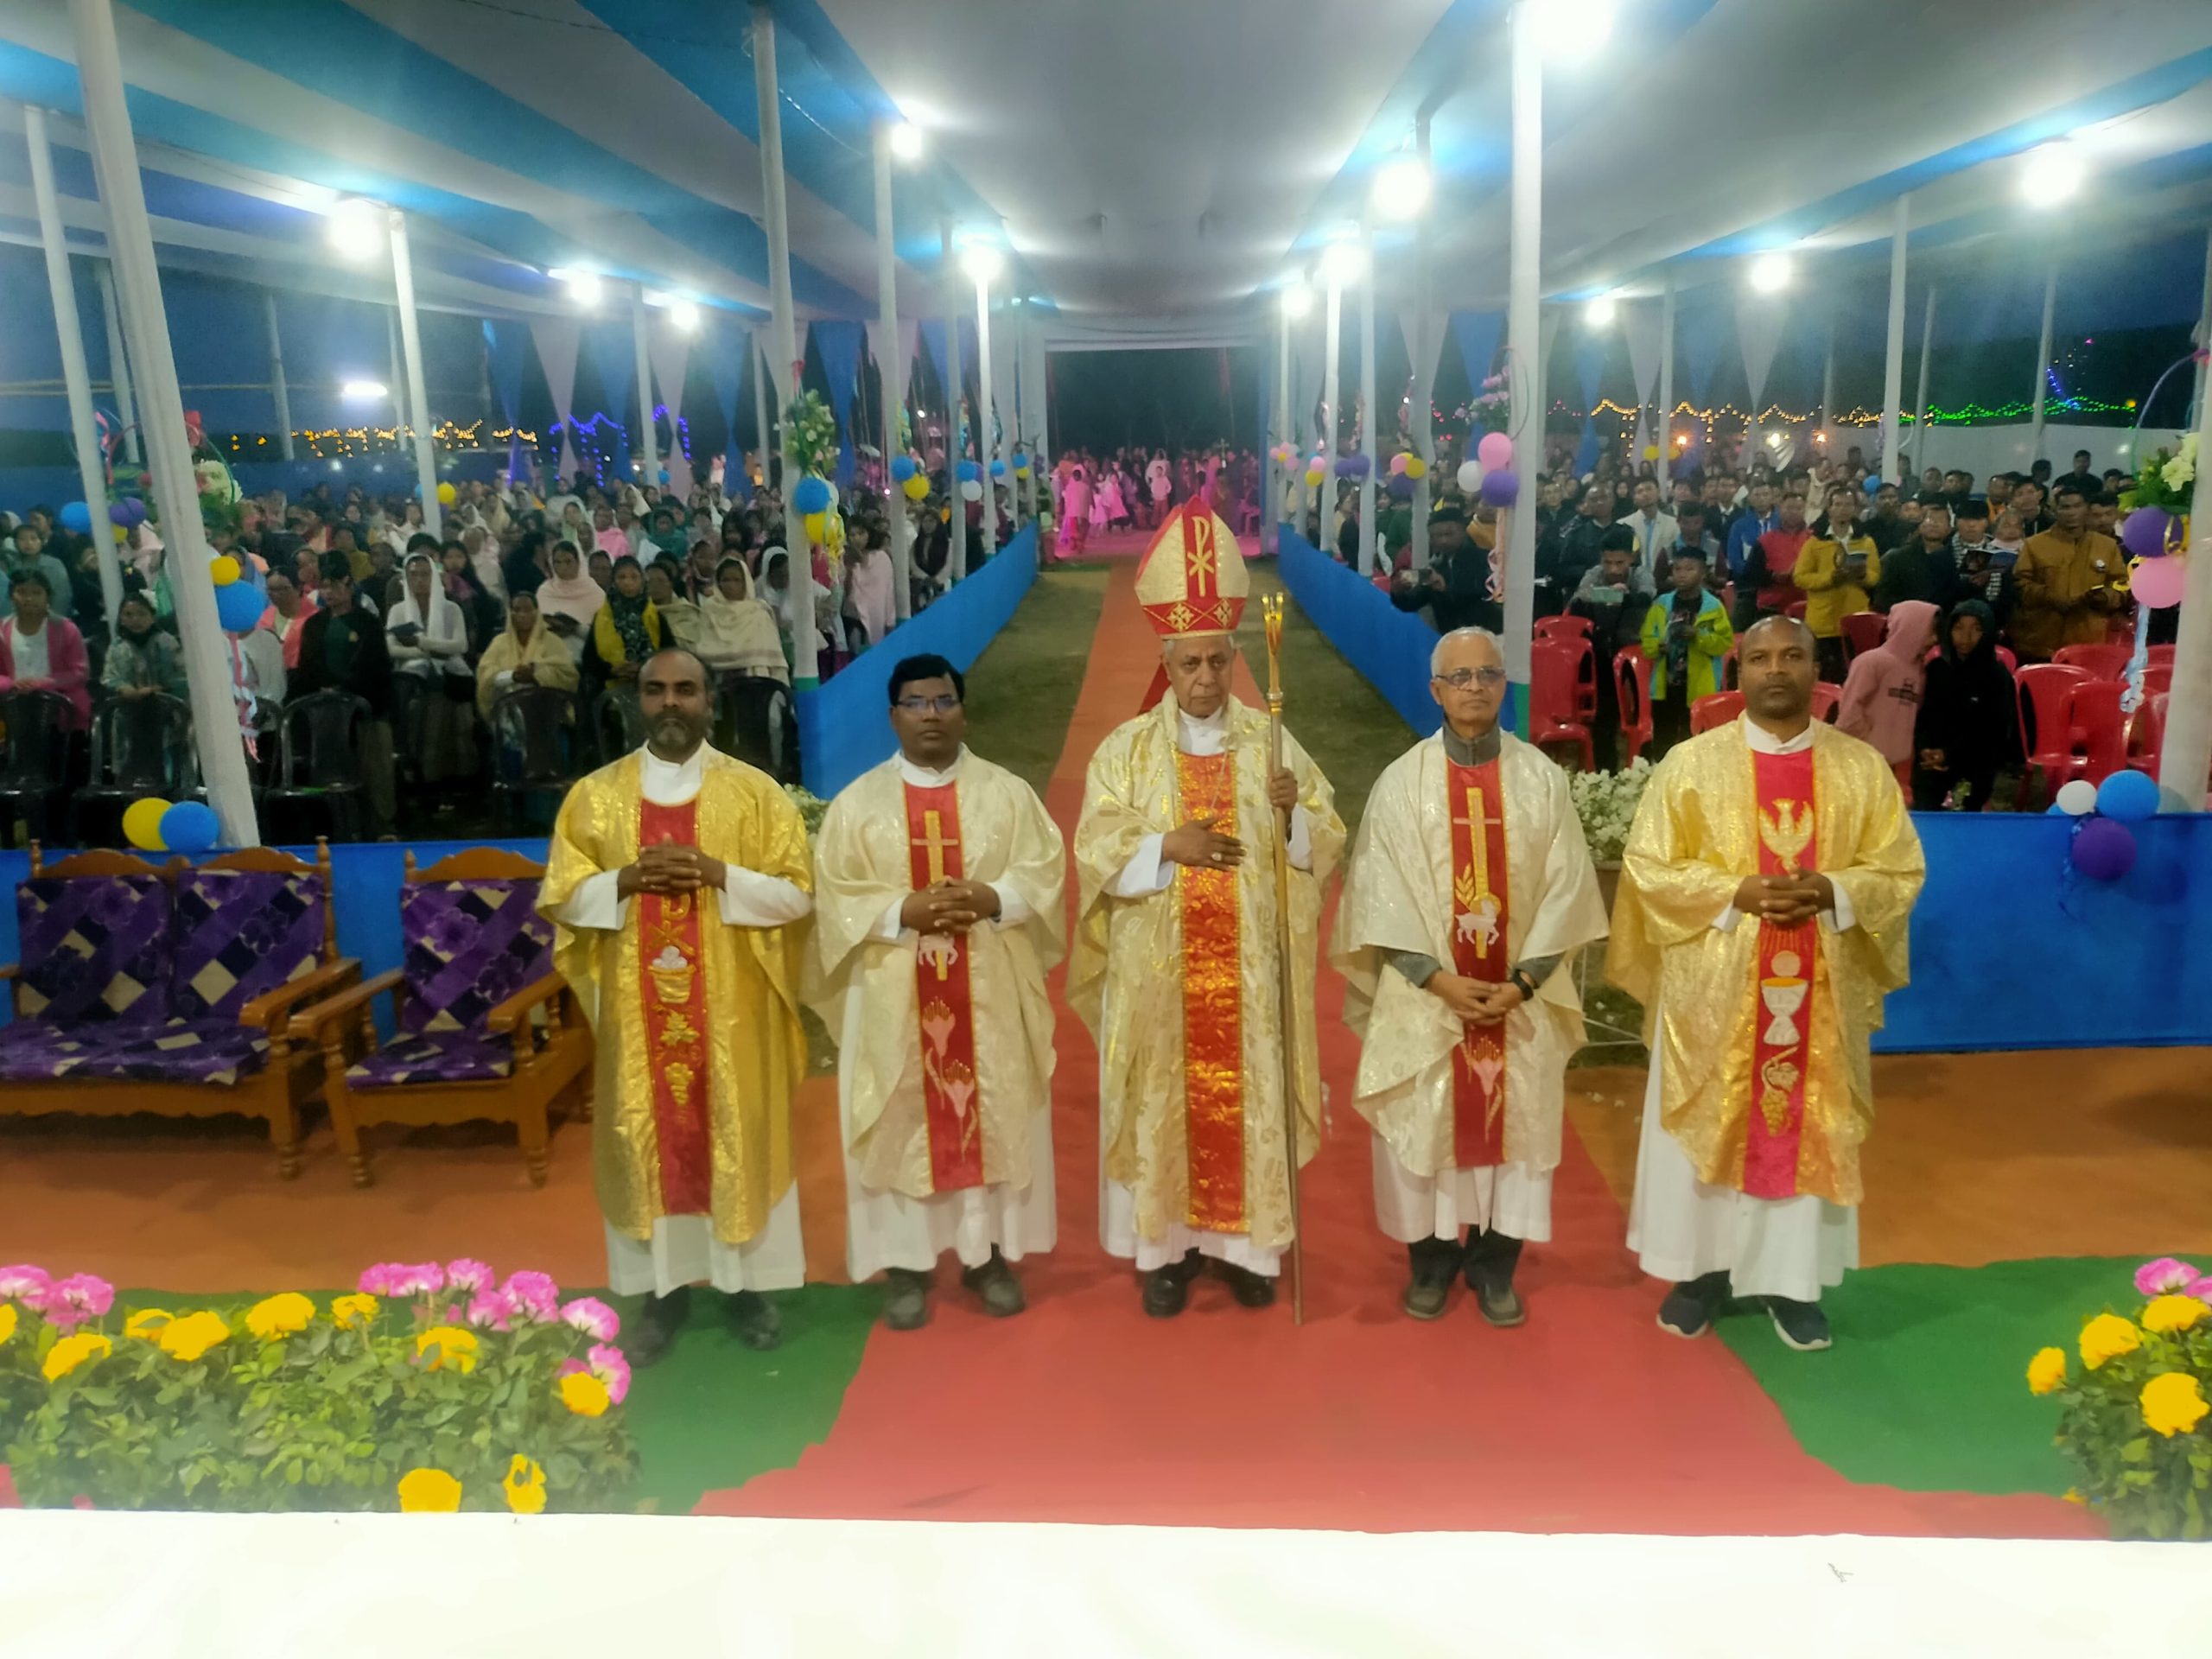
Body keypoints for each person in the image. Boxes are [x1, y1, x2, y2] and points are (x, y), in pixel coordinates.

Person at [1610, 615, 1924, 1351]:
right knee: (1709, 1122)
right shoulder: (1690, 764)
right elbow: (1649, 868)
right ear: (1739, 670)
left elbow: (1899, 869)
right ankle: (1700, 1272)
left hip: (1820, 992)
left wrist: (1832, 890)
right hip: (1714, 992)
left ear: (1817, 670)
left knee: (1803, 1122)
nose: (1775, 669)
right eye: (1759, 658)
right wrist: (1737, 892)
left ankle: (1790, 1281)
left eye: (1791, 656)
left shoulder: (1860, 769)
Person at [1071, 504, 1345, 1315]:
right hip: (1161, 983)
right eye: (1189, 663)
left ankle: (1247, 1252)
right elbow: (1096, 848)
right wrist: (1168, 846)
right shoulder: (1125, 752)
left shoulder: (1272, 743)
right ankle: (1167, 1253)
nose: (1205, 679)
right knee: (1165, 1106)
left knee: (1249, 1102)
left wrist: (1293, 816)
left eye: (1218, 662)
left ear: (1234, 660)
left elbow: (1323, 840)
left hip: (1249, 982)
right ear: (1167, 661)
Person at [540, 647, 813, 1363]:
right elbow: (562, 897)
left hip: (731, 1018)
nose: (670, 703)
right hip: (639, 1022)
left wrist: (719, 874)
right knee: (647, 1143)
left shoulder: (754, 794)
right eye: (656, 690)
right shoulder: (594, 798)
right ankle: (661, 1296)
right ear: (638, 701)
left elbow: (796, 895)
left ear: (709, 701)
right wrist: (625, 881)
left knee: (734, 1138)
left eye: (686, 690)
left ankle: (744, 1288)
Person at [1333, 626, 1607, 1325]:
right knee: (1422, 1127)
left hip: (1519, 999)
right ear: (1436, 691)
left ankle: (1494, 1264)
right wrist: (1437, 980)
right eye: (1460, 677)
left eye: (1487, 674)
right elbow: (1379, 895)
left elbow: (1568, 889)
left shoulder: (1541, 781)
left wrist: (1524, 982)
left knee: (1518, 1135)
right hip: (1429, 1001)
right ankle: (1429, 1261)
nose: (1475, 688)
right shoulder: (1402, 785)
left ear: (1503, 684)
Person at [805, 654, 1066, 1330]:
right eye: (916, 704)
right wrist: (903, 912)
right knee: (902, 1116)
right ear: (893, 716)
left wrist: (991, 898)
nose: (931, 715)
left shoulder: (1008, 796)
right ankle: (907, 1263)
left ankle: (988, 1256)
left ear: (963, 711)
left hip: (988, 988)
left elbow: (1045, 874)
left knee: (993, 1110)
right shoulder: (858, 806)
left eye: (944, 701)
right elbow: (833, 897)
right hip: (894, 995)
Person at [292, 566, 397, 832]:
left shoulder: (368, 622)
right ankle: (336, 827)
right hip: (324, 712)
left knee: (374, 771)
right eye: (324, 587)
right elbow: (308, 665)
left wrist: (345, 688)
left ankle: (380, 827)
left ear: (349, 586)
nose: (329, 593)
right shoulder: (315, 624)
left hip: (366, 709)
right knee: (332, 774)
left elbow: (376, 666)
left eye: (335, 586)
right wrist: (324, 689)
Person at [1912, 599, 2018, 811]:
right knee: (1925, 804)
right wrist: (1925, 749)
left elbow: (1992, 733)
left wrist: (1949, 754)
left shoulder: (1996, 677)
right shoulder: (1936, 669)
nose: (1965, 637)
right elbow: (1923, 717)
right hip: (1932, 762)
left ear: (1988, 633)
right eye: (1959, 628)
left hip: (1973, 764)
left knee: (1965, 808)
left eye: (1976, 629)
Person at [387, 551, 475, 798]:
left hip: (451, 677)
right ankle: (423, 783)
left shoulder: (451, 608)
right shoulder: (398, 610)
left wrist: (421, 643)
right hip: (414, 679)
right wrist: (427, 651)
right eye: (413, 575)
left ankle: (455, 785)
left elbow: (460, 646)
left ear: (434, 577)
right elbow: (391, 648)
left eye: (425, 574)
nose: (419, 580)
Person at [2013, 483, 2125, 663]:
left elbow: (2121, 584)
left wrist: (2105, 597)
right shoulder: (2034, 545)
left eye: (2077, 506)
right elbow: (2019, 585)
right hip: (2041, 641)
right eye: (2065, 507)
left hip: (2089, 639)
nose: (2071, 512)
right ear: (2054, 510)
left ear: (2086, 509)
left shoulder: (2107, 546)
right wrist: (2050, 597)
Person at [1568, 526, 1651, 767]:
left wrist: (1614, 596)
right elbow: (1577, 602)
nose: (1613, 569)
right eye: (1608, 563)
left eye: (1619, 563)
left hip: (1635, 657)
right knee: (1604, 715)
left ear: (1631, 558)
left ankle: (1643, 768)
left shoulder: (1641, 575)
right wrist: (1613, 595)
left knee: (1642, 716)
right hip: (1601, 655)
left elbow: (1646, 597)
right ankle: (1606, 772)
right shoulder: (1594, 574)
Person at [1641, 550, 1733, 757]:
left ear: (1703, 573)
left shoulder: (1713, 607)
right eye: (1677, 569)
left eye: (1690, 569)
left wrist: (1698, 636)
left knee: (1695, 742)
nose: (1682, 575)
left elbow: (1723, 643)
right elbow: (1646, 640)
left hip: (1700, 685)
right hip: (1665, 686)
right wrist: (1657, 646)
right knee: (1663, 740)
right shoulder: (1661, 604)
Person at [1836, 599, 1938, 784]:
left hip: (1889, 765)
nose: (1934, 640)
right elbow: (1849, 714)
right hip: (1859, 759)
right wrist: (1869, 745)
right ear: (1910, 628)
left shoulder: (1918, 671)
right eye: (1929, 631)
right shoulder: (1871, 662)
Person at [1793, 486, 1878, 684]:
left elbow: (1875, 576)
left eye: (1848, 505)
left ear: (1855, 509)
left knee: (1855, 677)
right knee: (1825, 677)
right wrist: (1831, 578)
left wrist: (1862, 575)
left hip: (1855, 619)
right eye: (1838, 504)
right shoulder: (1815, 542)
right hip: (1823, 622)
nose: (1843, 509)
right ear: (1829, 508)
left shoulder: (1866, 541)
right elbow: (1800, 577)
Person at [0, 571, 91, 728]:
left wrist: (41, 684)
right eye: (21, 592)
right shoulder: (2, 631)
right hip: (11, 703)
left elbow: (79, 673)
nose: (29, 598)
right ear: (11, 596)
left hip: (58, 702)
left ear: (48, 596)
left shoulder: (66, 629)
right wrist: (13, 685)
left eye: (36, 593)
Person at [476, 590, 580, 718]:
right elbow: (485, 674)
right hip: (508, 712)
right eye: (517, 610)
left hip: (548, 709)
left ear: (537, 612)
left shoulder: (553, 641)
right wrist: (513, 676)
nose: (522, 615)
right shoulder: (499, 642)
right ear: (510, 613)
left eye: (528, 610)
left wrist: (536, 674)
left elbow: (568, 674)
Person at [694, 557, 789, 683]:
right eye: (726, 580)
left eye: (737, 580)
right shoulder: (710, 609)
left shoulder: (759, 613)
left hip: (756, 682)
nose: (731, 585)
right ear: (718, 583)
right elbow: (702, 648)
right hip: (717, 681)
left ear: (746, 583)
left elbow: (774, 661)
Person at [1736, 484, 1813, 632]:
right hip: (1772, 608)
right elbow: (1750, 575)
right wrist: (1773, 577)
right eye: (1789, 508)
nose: (1793, 512)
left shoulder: (1813, 540)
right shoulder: (1765, 541)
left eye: (1798, 508)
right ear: (1780, 509)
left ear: (1805, 510)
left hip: (1808, 605)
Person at [1872, 499, 1960, 613]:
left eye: (1940, 520)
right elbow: (1883, 597)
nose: (1933, 524)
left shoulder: (1953, 558)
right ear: (1920, 526)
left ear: (1949, 529)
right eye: (1929, 519)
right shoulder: (1898, 557)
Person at [101, 594, 189, 702]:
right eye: (128, 615)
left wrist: (160, 688)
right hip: (129, 706)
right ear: (121, 620)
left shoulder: (166, 642)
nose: (135, 619)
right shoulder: (117, 647)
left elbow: (183, 676)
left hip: (169, 703)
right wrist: (122, 687)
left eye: (142, 614)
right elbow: (109, 677)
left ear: (152, 617)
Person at [2, 523, 75, 621]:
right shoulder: (12, 565)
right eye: (22, 539)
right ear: (15, 543)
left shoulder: (54, 564)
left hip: (49, 619)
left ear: (42, 541)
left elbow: (62, 597)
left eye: (33, 539)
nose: (28, 543)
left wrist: (52, 621)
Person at [1617, 479, 1679, 582]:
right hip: (1633, 582)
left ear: (1658, 492)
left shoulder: (1674, 524)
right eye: (1640, 491)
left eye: (1649, 489)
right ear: (1634, 498)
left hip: (1665, 581)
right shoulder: (1623, 524)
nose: (1645, 494)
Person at [260, 567, 319, 672]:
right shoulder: (265, 617)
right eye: (271, 589)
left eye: (282, 589)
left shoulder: (315, 618)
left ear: (298, 588)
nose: (275, 594)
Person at [1724, 479, 1780, 581]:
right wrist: (1752, 574)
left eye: (1765, 494)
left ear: (1772, 497)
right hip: (1747, 580)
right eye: (1757, 495)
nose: (1761, 499)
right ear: (1749, 498)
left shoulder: (1782, 523)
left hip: (1778, 578)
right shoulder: (1739, 526)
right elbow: (1734, 558)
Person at [644, 560, 702, 652]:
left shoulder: (687, 612)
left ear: (671, 584)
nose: (655, 586)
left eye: (661, 581)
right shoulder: (640, 614)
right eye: (649, 582)